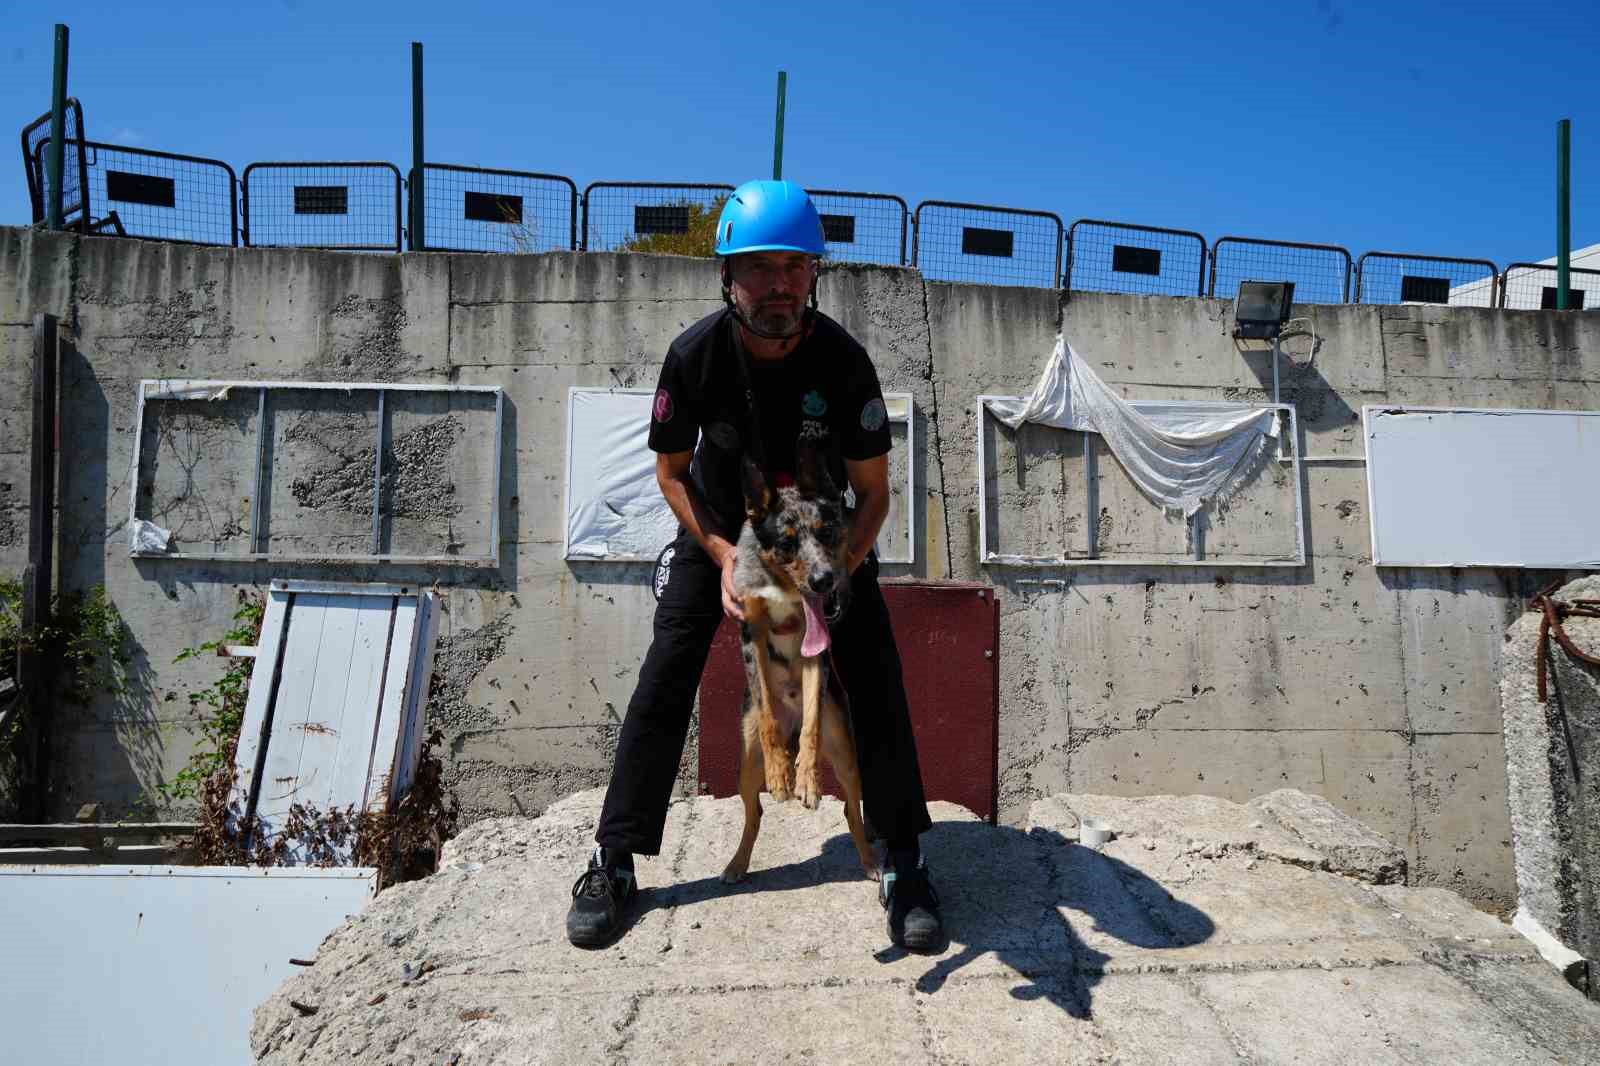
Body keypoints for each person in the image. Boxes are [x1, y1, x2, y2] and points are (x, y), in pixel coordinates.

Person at [566, 180, 943, 952]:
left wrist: (834, 570)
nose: (779, 284)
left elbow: (872, 493)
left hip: (818, 536)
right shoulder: (694, 356)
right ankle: (615, 860)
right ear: (727, 277)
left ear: (814, 275)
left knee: (874, 672)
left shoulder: (843, 363)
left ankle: (905, 860)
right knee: (667, 669)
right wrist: (720, 552)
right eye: (759, 267)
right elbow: (672, 473)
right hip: (722, 527)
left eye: (795, 267)